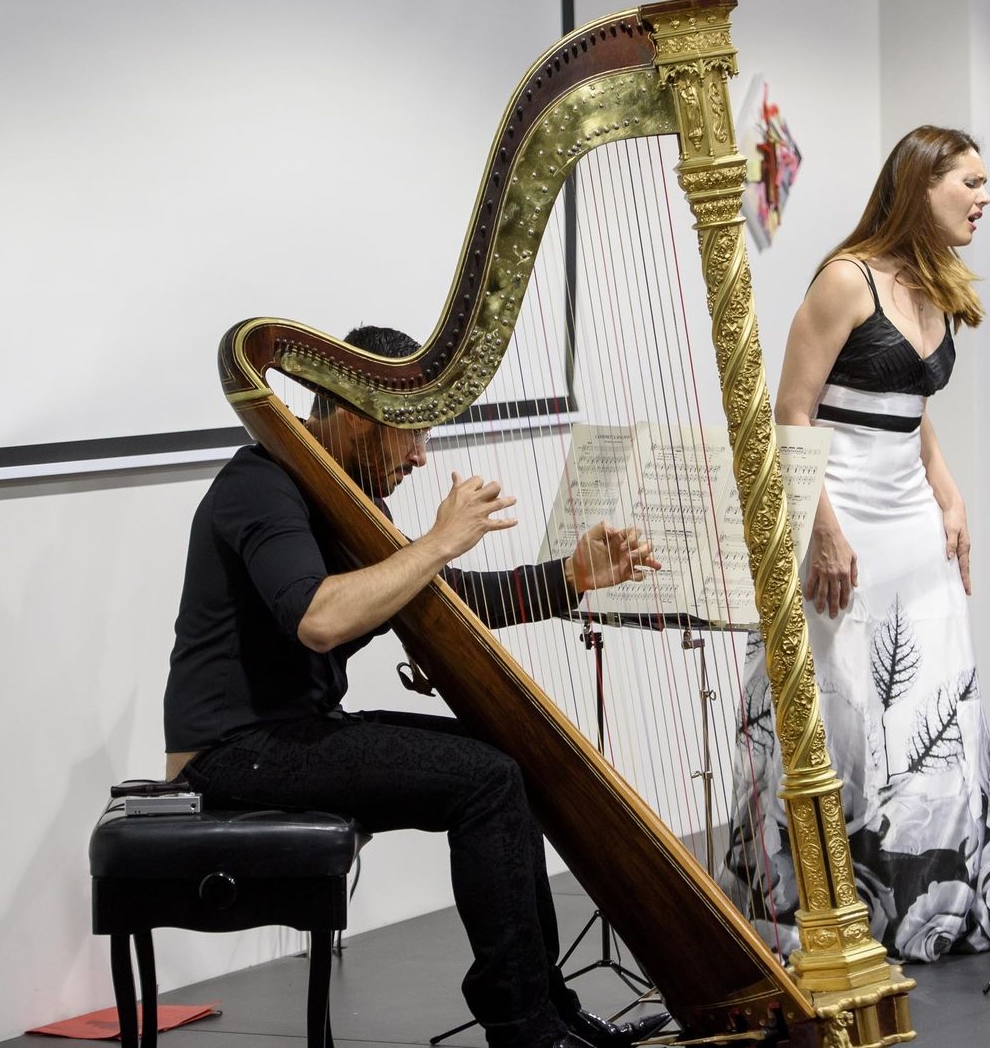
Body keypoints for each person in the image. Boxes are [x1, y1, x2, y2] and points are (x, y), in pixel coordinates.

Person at [162, 326, 671, 1048]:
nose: (421, 456)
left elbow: (439, 598)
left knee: (508, 760)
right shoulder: (259, 484)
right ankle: (523, 1029)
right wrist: (439, 541)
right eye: (412, 434)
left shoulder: (349, 501)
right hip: (232, 752)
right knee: (485, 781)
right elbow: (319, 619)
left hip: (295, 732)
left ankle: (549, 1010)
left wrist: (569, 578)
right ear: (354, 415)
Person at [717, 127, 990, 963]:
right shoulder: (847, 280)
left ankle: (924, 913)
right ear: (922, 185)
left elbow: (914, 415)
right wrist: (824, 534)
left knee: (931, 710)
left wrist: (950, 497)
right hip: (843, 519)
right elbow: (793, 411)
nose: (984, 200)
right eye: (972, 183)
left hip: (914, 522)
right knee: (841, 709)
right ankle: (825, 911)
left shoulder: (940, 282)